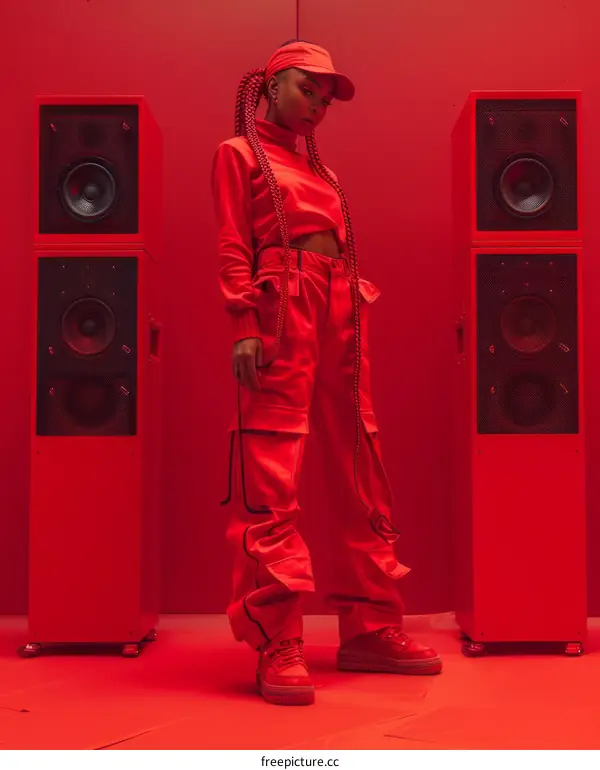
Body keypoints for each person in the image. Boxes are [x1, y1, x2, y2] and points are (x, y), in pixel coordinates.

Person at [211, 39, 442, 706]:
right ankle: (276, 638)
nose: (316, 104)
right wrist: (244, 324)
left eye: (325, 96)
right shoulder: (237, 154)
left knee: (359, 461)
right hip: (281, 299)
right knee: (272, 463)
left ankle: (370, 628)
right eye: (306, 89)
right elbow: (232, 242)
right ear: (273, 83)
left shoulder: (321, 171)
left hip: (341, 301)